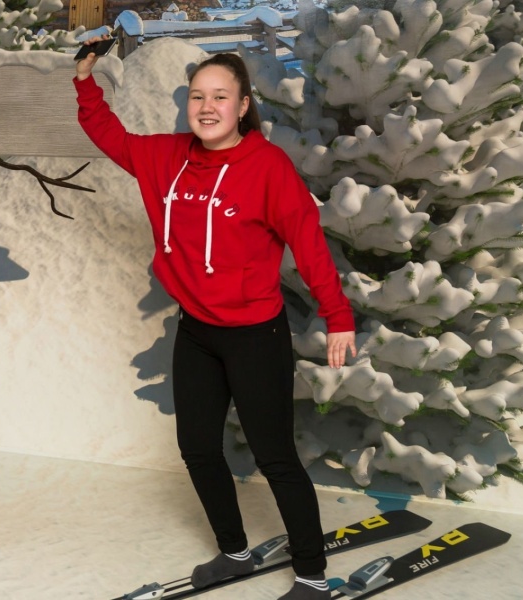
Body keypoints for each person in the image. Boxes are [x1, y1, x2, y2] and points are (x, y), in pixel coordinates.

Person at [74, 40, 357, 600]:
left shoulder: (268, 168)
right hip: (198, 333)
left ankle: (311, 578)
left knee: (276, 458)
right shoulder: (166, 157)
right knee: (199, 450)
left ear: (243, 105)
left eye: (220, 96)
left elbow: (308, 244)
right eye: (198, 96)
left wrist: (339, 316)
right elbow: (109, 136)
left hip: (255, 336)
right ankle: (234, 552)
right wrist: (85, 81)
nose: (207, 107)